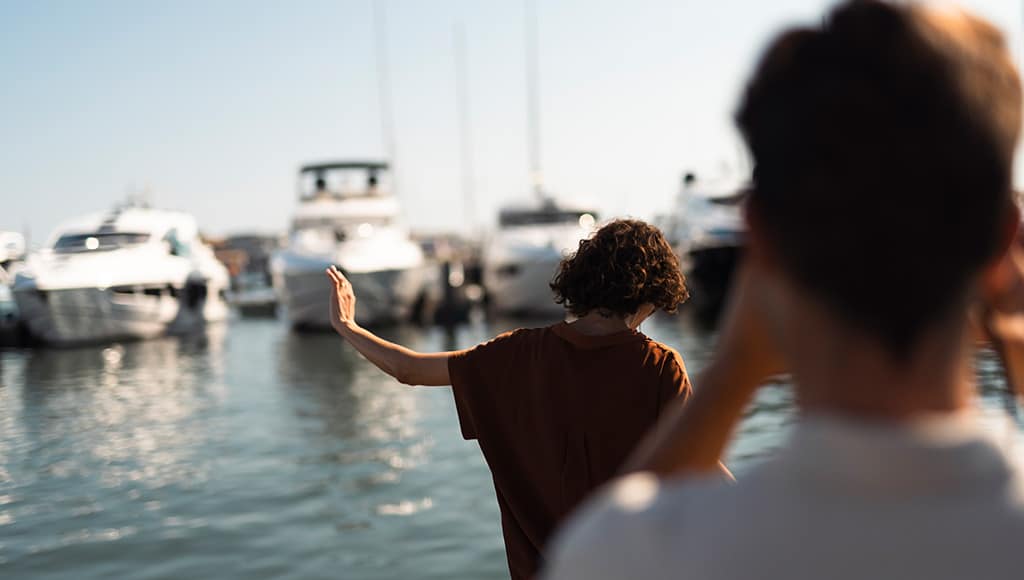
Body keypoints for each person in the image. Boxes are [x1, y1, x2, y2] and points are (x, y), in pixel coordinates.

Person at [545, 2, 1024, 579]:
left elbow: (620, 525)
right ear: (1005, 243)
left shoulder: (634, 553)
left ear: (761, 241)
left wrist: (732, 373)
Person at [325, 219, 694, 579]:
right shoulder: (659, 366)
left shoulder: (515, 354)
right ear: (650, 290)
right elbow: (700, 466)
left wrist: (348, 327)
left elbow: (409, 370)